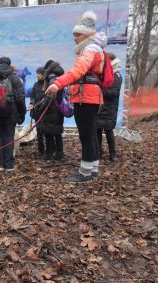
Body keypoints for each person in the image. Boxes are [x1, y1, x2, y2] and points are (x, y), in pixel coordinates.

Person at [46, 11, 107, 183]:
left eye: (77, 34)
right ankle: (92, 169)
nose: (75, 38)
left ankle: (85, 173)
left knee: (86, 135)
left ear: (87, 35)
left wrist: (57, 83)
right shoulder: (95, 49)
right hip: (91, 97)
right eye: (74, 34)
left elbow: (77, 71)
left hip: (85, 98)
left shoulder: (90, 50)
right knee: (92, 134)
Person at [0, 56, 26, 171]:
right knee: (9, 137)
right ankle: (9, 165)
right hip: (11, 114)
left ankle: (0, 163)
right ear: (9, 65)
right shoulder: (14, 78)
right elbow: (20, 98)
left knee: (0, 136)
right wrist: (22, 114)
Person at [97, 52, 122, 162]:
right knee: (97, 130)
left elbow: (114, 92)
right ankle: (98, 153)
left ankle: (113, 154)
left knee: (108, 131)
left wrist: (100, 91)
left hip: (110, 109)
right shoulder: (104, 73)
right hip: (100, 107)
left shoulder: (117, 75)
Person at [42, 60, 65, 161]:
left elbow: (50, 96)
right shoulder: (60, 75)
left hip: (51, 109)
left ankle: (49, 154)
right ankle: (59, 153)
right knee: (57, 132)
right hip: (59, 108)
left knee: (48, 133)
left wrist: (41, 106)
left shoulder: (52, 78)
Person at [29, 67, 46, 159]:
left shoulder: (47, 84)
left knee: (46, 131)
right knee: (39, 132)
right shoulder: (36, 84)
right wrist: (31, 103)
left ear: (43, 74)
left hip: (45, 112)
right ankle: (41, 151)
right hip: (37, 112)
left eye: (38, 73)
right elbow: (32, 96)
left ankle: (49, 151)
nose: (37, 75)